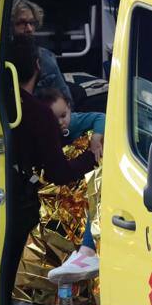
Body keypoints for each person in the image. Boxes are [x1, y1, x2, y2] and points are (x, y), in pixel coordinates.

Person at [5, 35, 98, 305]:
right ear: (37, 66)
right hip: (23, 196)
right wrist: (90, 159)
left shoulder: (3, 101)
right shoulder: (37, 113)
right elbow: (58, 172)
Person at [37, 88, 104, 281]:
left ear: (69, 108)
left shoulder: (75, 122)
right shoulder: (46, 134)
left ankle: (86, 254)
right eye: (54, 119)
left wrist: (96, 137)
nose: (61, 122)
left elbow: (101, 117)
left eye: (64, 115)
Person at [10, 0, 73, 104]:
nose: (29, 29)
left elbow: (67, 104)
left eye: (32, 23)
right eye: (21, 23)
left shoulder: (45, 59)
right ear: (8, 26)